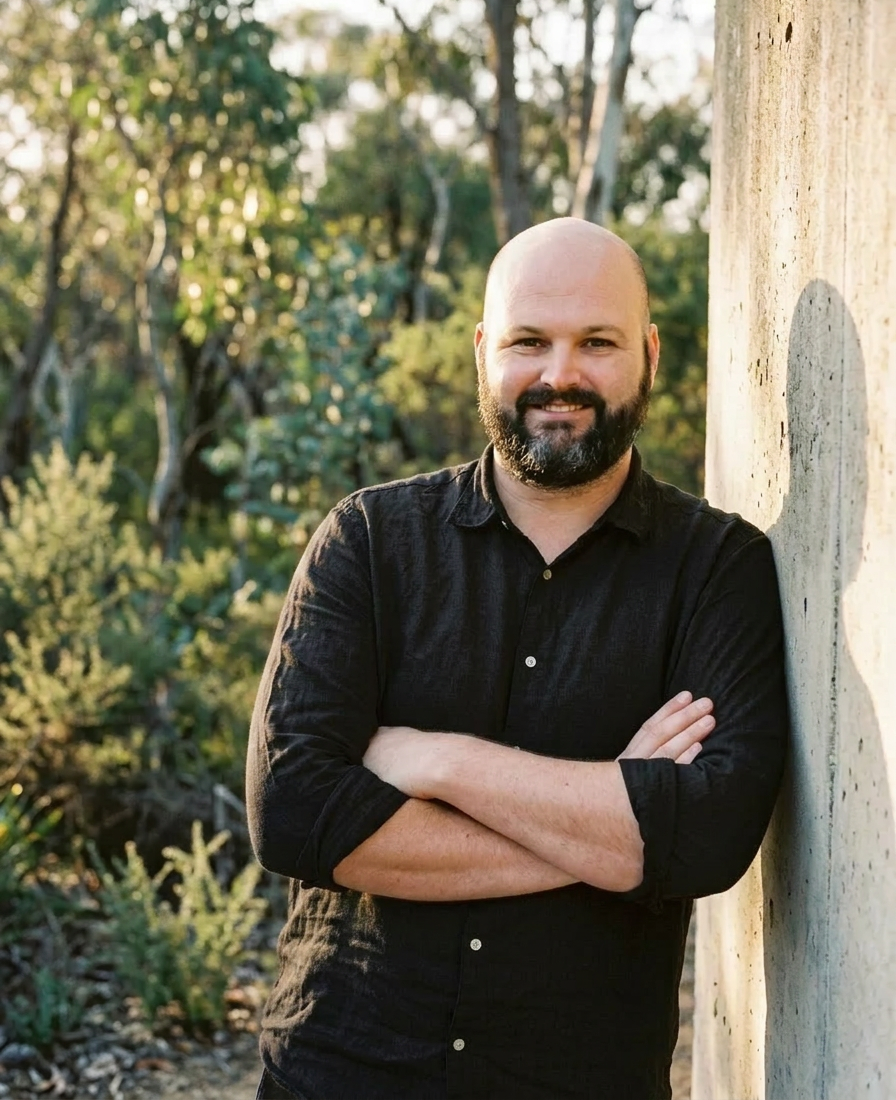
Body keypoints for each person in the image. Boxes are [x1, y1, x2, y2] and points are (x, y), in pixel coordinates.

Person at [246, 217, 788, 1100]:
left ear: (648, 353)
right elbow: (297, 813)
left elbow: (708, 836)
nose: (560, 374)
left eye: (597, 343)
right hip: (341, 1072)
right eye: (529, 341)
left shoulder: (717, 568)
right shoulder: (369, 541)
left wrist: (441, 761)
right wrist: (614, 825)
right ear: (482, 350)